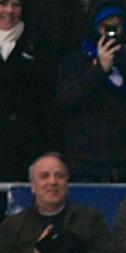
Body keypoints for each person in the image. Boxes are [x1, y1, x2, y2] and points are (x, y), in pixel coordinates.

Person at [55, 0, 126, 183]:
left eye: (117, 27)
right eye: (105, 27)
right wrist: (99, 70)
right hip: (87, 168)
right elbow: (67, 101)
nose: (111, 34)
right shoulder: (75, 62)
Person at [0, 0, 56, 184]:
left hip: (25, 147)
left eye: (16, 5)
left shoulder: (39, 43)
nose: (9, 11)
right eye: (2, 3)